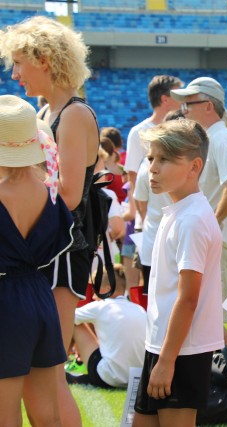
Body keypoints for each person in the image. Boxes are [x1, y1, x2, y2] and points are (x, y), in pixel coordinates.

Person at [0, 16, 100, 426]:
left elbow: (71, 196)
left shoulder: (73, 115)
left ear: (45, 59)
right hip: (46, 248)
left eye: (20, 61)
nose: (14, 73)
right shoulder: (47, 110)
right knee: (42, 377)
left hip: (60, 250)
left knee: (52, 375)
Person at [132, 119, 224, 426]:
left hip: (181, 352)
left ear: (194, 166)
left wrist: (167, 360)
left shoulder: (192, 220)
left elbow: (188, 299)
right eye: (151, 159)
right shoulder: (177, 212)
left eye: (166, 159)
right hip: (162, 346)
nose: (153, 169)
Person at [0, 95, 71, 427]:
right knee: (47, 414)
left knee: (5, 414)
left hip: (5, 302)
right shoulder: (49, 189)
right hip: (39, 298)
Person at [171, 77, 227, 354]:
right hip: (215, 235)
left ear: (207, 106)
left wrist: (213, 220)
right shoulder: (215, 136)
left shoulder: (221, 137)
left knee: (208, 315)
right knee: (207, 313)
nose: (184, 112)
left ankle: (224, 376)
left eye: (188, 105)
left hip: (216, 235)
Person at [123, 75, 183, 297]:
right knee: (150, 280)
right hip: (148, 220)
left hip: (175, 221)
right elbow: (133, 177)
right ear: (166, 99)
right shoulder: (139, 132)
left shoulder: (182, 131)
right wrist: (141, 216)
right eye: (179, 94)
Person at [66, 264, 146, 389]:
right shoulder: (139, 309)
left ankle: (58, 367)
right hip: (138, 378)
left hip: (108, 378)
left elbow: (65, 317)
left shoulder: (101, 306)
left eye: (95, 290)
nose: (92, 296)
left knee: (72, 320)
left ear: (107, 289)